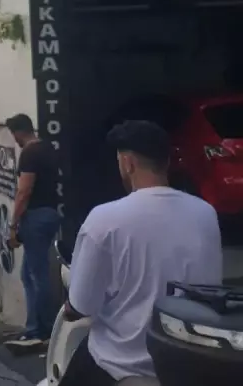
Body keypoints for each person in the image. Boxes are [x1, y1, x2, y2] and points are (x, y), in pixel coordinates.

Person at [59, 120, 223, 386]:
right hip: (189, 360)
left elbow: (82, 306)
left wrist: (69, 307)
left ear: (127, 163)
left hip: (121, 363)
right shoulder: (205, 213)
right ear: (167, 162)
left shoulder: (104, 219)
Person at [4, 113, 62, 347]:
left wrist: (14, 223)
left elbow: (24, 191)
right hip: (50, 213)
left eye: (13, 134)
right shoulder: (48, 148)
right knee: (29, 273)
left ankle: (42, 329)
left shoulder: (29, 153)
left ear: (18, 132)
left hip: (35, 216)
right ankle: (36, 326)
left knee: (37, 275)